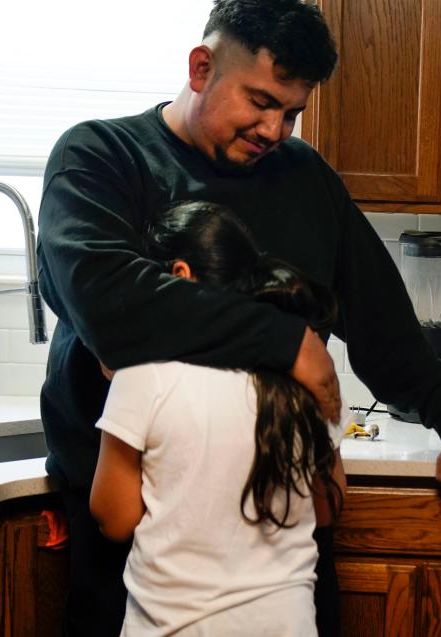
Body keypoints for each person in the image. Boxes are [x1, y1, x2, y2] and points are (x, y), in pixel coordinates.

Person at [36, 1, 441, 635]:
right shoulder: (100, 157)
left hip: (278, 533)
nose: (275, 129)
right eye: (260, 101)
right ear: (202, 68)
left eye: (292, 113)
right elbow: (107, 301)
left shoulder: (305, 178)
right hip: (127, 525)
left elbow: (380, 314)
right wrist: (288, 341)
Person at [89, 201, 347, 636]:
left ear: (179, 277)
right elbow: (326, 509)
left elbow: (114, 519)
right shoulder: (307, 374)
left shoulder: (143, 374)